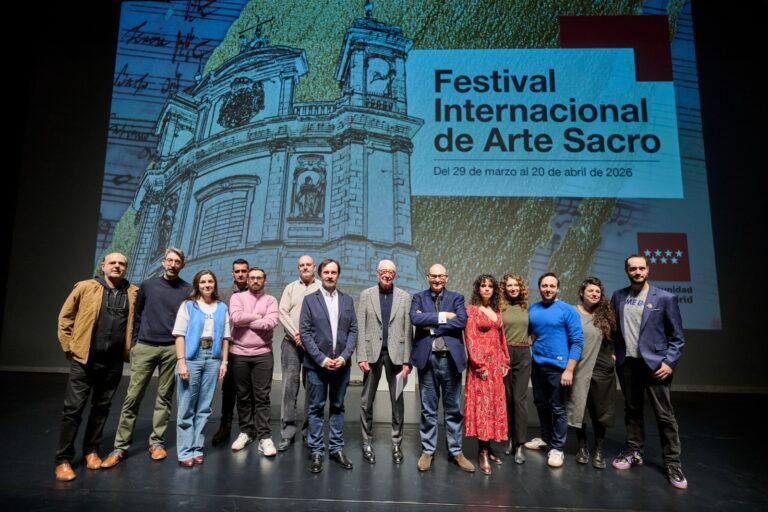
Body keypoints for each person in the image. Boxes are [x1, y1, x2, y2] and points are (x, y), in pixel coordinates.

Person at [101, 248, 190, 468]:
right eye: (169, 260)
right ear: (163, 263)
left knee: (164, 398)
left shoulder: (188, 290)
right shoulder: (148, 285)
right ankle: (120, 447)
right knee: (133, 397)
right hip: (146, 347)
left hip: (171, 349)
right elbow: (137, 314)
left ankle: (156, 443)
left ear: (182, 265)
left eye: (177, 261)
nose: (172, 264)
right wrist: (134, 343)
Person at [54, 253, 138, 481]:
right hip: (84, 361)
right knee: (73, 410)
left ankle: (91, 451)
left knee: (101, 409)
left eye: (122, 264)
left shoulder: (133, 292)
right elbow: (65, 318)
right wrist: (71, 348)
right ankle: (63, 460)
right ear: (103, 266)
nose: (117, 266)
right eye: (113, 263)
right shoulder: (85, 287)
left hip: (113, 363)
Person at [611, 255, 688, 489]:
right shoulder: (619, 296)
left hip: (656, 366)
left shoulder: (665, 298)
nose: (637, 272)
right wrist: (616, 352)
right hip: (628, 365)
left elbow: (677, 337)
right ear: (626, 270)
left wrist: (669, 362)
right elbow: (615, 328)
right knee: (632, 410)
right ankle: (634, 451)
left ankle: (673, 463)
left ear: (648, 270)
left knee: (665, 416)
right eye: (632, 268)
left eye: (641, 268)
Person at [410, 264, 475, 473]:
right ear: (428, 277)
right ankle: (428, 451)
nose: (437, 279)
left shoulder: (457, 298)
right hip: (427, 359)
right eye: (433, 276)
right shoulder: (418, 297)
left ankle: (455, 451)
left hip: (450, 360)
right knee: (428, 409)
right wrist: (444, 316)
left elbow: (462, 321)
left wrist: (430, 326)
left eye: (441, 276)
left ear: (446, 278)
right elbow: (415, 318)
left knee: (453, 409)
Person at [300, 259, 358, 473]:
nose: (330, 275)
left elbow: (353, 331)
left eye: (334, 272)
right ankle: (316, 450)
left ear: (338, 275)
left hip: (342, 365)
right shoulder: (309, 300)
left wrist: (344, 357)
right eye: (326, 272)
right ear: (320, 274)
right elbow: (304, 333)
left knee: (337, 407)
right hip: (317, 366)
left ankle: (336, 448)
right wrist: (322, 359)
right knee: (315, 408)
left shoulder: (348, 300)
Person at [524, 272, 583, 468]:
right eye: (544, 286)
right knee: (541, 403)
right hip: (538, 366)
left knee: (558, 407)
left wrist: (569, 370)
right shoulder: (533, 310)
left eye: (552, 286)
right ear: (539, 288)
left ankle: (557, 448)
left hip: (559, 369)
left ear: (558, 288)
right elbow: (534, 334)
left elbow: (577, 342)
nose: (548, 289)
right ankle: (546, 439)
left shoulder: (567, 310)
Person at [356, 259, 412, 464]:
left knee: (397, 401)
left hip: (396, 358)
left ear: (395, 275)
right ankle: (366, 442)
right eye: (383, 271)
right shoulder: (366, 295)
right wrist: (361, 355)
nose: (387, 275)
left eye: (391, 272)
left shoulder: (405, 297)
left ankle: (396, 443)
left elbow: (408, 329)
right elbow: (361, 326)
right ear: (377, 273)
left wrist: (407, 361)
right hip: (371, 357)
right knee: (366, 401)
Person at [172, 270, 231, 466]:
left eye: (210, 281)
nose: (207, 285)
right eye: (203, 282)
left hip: (213, 360)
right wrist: (181, 362)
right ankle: (185, 451)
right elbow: (179, 335)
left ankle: (197, 447)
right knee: (187, 406)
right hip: (191, 358)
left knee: (204, 407)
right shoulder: (188, 306)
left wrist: (224, 361)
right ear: (197, 285)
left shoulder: (222, 307)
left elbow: (225, 337)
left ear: (215, 284)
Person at [229, 267, 279, 456]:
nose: (255, 280)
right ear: (247, 280)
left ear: (264, 280)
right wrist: (258, 317)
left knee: (262, 397)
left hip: (263, 354)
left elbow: (271, 322)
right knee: (243, 396)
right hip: (239, 353)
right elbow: (235, 317)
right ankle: (246, 432)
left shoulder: (271, 300)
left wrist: (247, 321)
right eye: (252, 278)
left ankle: (264, 437)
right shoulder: (237, 298)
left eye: (259, 277)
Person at [567, 277, 616, 469]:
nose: (594, 294)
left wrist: (613, 355)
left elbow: (616, 338)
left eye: (597, 291)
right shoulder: (572, 311)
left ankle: (599, 451)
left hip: (601, 369)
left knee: (599, 412)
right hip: (579, 367)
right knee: (580, 410)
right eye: (590, 291)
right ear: (582, 293)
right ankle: (583, 448)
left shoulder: (606, 314)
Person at [463, 275, 510, 475]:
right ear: (478, 289)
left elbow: (501, 338)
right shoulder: (471, 311)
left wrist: (505, 360)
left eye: (490, 286)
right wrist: (479, 365)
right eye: (483, 286)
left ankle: (489, 448)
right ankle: (481, 451)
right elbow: (470, 338)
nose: (487, 289)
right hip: (480, 367)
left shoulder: (497, 310)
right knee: (482, 407)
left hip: (496, 367)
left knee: (492, 406)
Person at [277, 255, 321, 451]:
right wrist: (296, 334)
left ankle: (309, 432)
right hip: (291, 344)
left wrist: (309, 339)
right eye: (301, 265)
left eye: (308, 265)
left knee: (312, 388)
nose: (305, 267)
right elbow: (282, 312)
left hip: (314, 347)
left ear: (315, 267)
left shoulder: (322, 288)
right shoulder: (290, 288)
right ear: (298, 268)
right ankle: (287, 432)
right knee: (289, 388)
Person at [211, 258, 249, 446]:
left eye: (244, 270)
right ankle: (224, 427)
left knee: (248, 391)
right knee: (229, 391)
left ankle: (248, 428)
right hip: (231, 350)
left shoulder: (255, 293)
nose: (241, 274)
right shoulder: (225, 294)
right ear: (232, 273)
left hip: (250, 349)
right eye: (237, 271)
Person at [499, 273, 531, 464]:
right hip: (504, 354)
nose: (513, 288)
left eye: (516, 285)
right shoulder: (499, 307)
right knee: (506, 398)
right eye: (509, 286)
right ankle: (509, 438)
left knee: (519, 399)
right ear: (504, 288)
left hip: (523, 353)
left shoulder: (527, 307)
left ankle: (520, 444)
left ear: (521, 288)